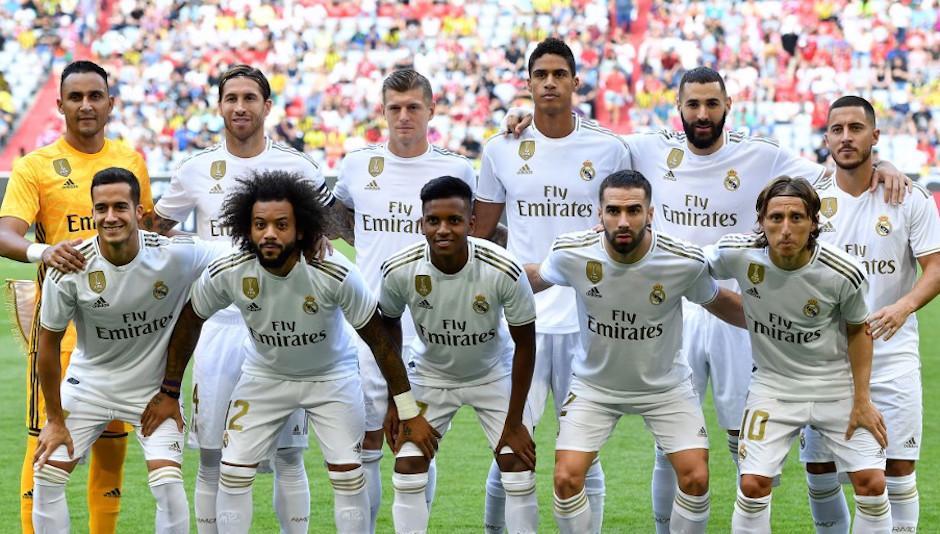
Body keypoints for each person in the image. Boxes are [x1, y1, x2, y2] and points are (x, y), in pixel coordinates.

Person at [505, 65, 908, 533]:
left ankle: (753, 518)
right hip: (668, 304)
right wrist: (530, 116)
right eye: (692, 104)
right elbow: (586, 139)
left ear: (727, 107)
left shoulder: (762, 154)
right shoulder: (647, 147)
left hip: (730, 302)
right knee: (669, 445)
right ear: (678, 108)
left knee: (743, 437)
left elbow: (831, 171)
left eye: (711, 104)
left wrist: (882, 165)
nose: (701, 113)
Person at [140, 170, 439, 533]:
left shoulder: (332, 271)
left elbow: (378, 338)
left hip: (331, 377)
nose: (269, 233)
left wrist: (406, 409)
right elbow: (191, 319)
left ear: (301, 229)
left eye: (281, 225)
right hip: (265, 376)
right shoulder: (231, 270)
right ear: (245, 229)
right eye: (260, 224)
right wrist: (170, 391)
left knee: (348, 475)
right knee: (232, 472)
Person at [140, 64, 339, 532]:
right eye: (231, 98)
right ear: (219, 106)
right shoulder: (195, 170)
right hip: (219, 327)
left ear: (267, 107)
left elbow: (327, 235)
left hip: (282, 329)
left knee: (290, 455)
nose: (240, 107)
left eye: (250, 98)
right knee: (212, 454)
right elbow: (153, 232)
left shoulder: (298, 166)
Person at [525, 170, 745, 534]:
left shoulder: (682, 261)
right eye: (613, 211)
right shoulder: (572, 252)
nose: (623, 221)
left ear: (651, 213)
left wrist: (780, 321)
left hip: (665, 388)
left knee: (696, 478)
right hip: (595, 388)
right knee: (565, 479)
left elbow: (721, 302)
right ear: (599, 214)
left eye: (633, 210)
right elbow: (533, 279)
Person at [473, 37, 631, 532]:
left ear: (574, 82)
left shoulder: (608, 148)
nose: (549, 82)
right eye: (540, 74)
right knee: (509, 442)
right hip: (523, 320)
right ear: (527, 83)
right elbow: (480, 232)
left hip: (589, 319)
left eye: (558, 74)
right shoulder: (502, 147)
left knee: (583, 449)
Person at [0, 60, 153, 534]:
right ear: (60, 103)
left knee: (111, 448)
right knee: (46, 445)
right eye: (76, 97)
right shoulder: (34, 166)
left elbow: (145, 234)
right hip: (60, 335)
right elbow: (6, 233)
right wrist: (45, 251)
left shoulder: (131, 160)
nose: (86, 105)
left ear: (110, 102)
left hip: (120, 336)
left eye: (95, 96)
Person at [31, 168, 223, 533]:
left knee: (167, 486)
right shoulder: (70, 267)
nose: (110, 217)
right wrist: (54, 418)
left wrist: (306, 239)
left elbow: (237, 251)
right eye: (100, 208)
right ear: (92, 212)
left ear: (139, 212)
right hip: (88, 386)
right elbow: (48, 344)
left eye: (120, 206)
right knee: (46, 477)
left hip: (152, 393)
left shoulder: (174, 255)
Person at [331, 68, 476, 531]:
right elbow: (339, 219)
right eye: (394, 107)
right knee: (368, 440)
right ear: (383, 111)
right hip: (369, 324)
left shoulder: (457, 168)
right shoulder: (358, 165)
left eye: (414, 106)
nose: (404, 116)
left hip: (431, 327)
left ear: (431, 109)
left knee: (417, 441)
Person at [705, 176, 890, 533]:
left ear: (814, 223)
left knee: (872, 484)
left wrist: (863, 400)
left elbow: (858, 330)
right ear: (761, 221)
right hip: (773, 386)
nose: (785, 228)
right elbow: (694, 268)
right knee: (752, 485)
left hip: (835, 385)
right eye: (776, 218)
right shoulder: (737, 253)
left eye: (796, 217)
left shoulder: (844, 272)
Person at [800, 96, 940, 533]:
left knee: (896, 470)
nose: (846, 137)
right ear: (826, 138)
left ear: (875, 136)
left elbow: (934, 267)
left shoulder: (907, 197)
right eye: (837, 129)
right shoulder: (809, 200)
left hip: (892, 356)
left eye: (856, 128)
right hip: (824, 359)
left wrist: (903, 307)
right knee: (821, 470)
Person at [380, 176, 538, 534]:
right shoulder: (399, 269)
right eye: (433, 220)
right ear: (421, 223)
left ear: (471, 222)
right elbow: (387, 331)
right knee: (406, 467)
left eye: (454, 220)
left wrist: (514, 424)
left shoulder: (504, 269)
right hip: (431, 375)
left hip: (492, 374)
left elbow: (526, 344)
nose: (443, 229)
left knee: (517, 466)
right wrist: (400, 404)